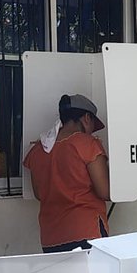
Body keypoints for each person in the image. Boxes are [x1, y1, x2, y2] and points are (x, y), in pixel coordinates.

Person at [23, 93, 111, 252]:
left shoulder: (38, 149)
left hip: (51, 238)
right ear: (86, 118)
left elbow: (39, 194)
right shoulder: (88, 144)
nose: (91, 131)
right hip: (86, 231)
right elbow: (105, 191)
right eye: (92, 125)